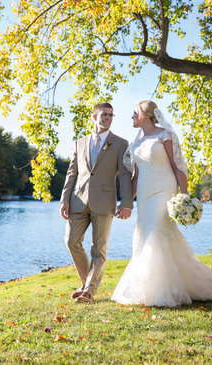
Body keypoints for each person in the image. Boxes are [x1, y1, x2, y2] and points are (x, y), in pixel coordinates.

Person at [111, 100, 212, 307]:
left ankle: (159, 292)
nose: (132, 117)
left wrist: (185, 197)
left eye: (134, 113)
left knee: (156, 233)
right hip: (144, 196)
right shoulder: (136, 143)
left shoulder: (166, 135)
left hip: (164, 190)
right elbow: (135, 176)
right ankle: (149, 286)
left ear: (145, 115)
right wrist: (126, 202)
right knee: (145, 235)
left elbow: (178, 166)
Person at [60, 102, 134, 303]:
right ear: (94, 117)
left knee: (98, 248)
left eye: (111, 115)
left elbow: (125, 175)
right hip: (78, 200)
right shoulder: (80, 142)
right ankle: (86, 283)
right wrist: (64, 199)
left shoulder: (120, 143)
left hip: (104, 201)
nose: (108, 118)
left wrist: (126, 203)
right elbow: (72, 172)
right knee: (71, 241)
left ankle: (90, 291)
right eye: (104, 115)